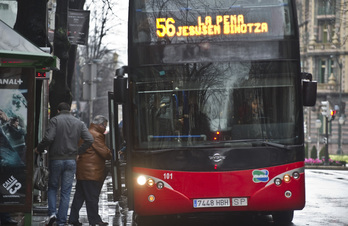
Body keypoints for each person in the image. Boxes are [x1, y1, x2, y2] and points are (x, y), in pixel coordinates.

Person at [35, 102, 94, 226]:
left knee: (52, 187)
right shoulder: (79, 123)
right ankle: (61, 221)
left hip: (56, 159)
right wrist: (79, 151)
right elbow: (89, 139)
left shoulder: (55, 121)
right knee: (66, 192)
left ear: (58, 110)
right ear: (69, 111)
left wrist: (39, 148)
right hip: (71, 160)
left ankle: (52, 214)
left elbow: (49, 138)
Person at [68, 115, 112, 226]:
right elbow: (105, 153)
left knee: (79, 196)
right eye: (104, 126)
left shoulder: (88, 132)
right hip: (91, 171)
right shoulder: (96, 135)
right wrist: (110, 152)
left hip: (83, 170)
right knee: (92, 197)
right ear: (100, 125)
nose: (105, 128)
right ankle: (95, 220)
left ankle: (73, 218)